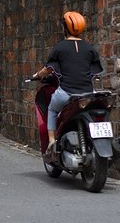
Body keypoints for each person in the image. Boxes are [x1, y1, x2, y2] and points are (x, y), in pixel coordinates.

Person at [32, 11, 103, 161]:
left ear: (65, 28)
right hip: (87, 94)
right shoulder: (89, 48)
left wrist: (37, 75)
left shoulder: (60, 47)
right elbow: (95, 72)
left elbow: (48, 69)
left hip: (67, 93)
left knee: (51, 108)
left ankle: (52, 142)